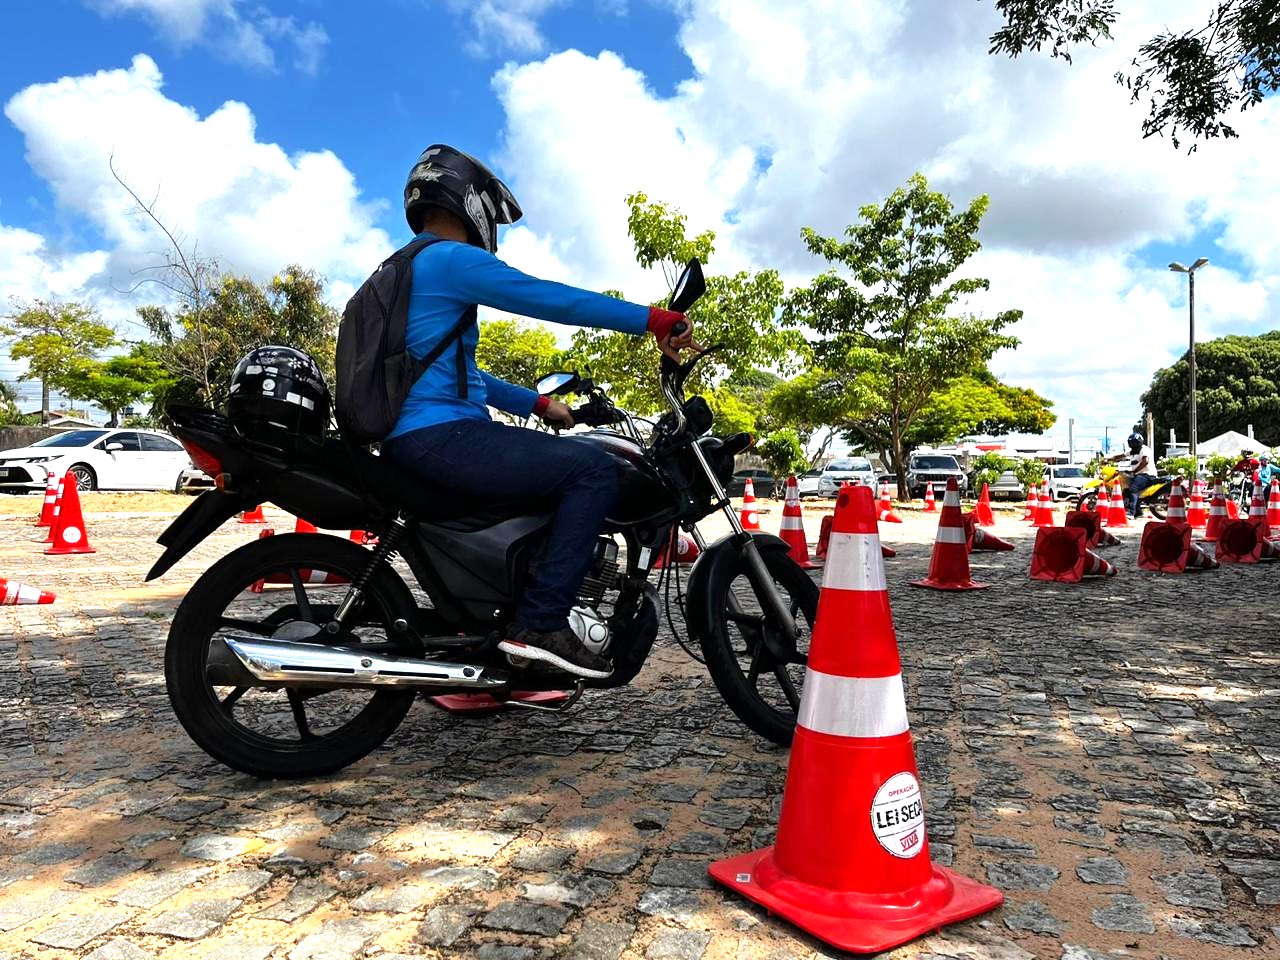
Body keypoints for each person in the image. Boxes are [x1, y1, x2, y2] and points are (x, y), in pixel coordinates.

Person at [380, 145, 694, 680]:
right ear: (471, 204)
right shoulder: (449, 259)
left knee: (551, 476)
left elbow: (466, 379)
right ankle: (540, 623)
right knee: (593, 470)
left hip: (420, 434)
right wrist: (653, 320)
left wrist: (539, 403)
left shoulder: (404, 269)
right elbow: (547, 298)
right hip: (440, 434)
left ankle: (504, 621)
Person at [1123, 431, 1157, 518]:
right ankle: (1138, 512)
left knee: (1133, 489)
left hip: (1147, 475)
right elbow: (1121, 456)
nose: (1132, 444)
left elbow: (1145, 462)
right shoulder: (1133, 451)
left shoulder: (1144, 449)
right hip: (1140, 475)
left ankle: (1131, 512)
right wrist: (1108, 459)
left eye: (1134, 443)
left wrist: (1134, 472)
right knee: (1127, 489)